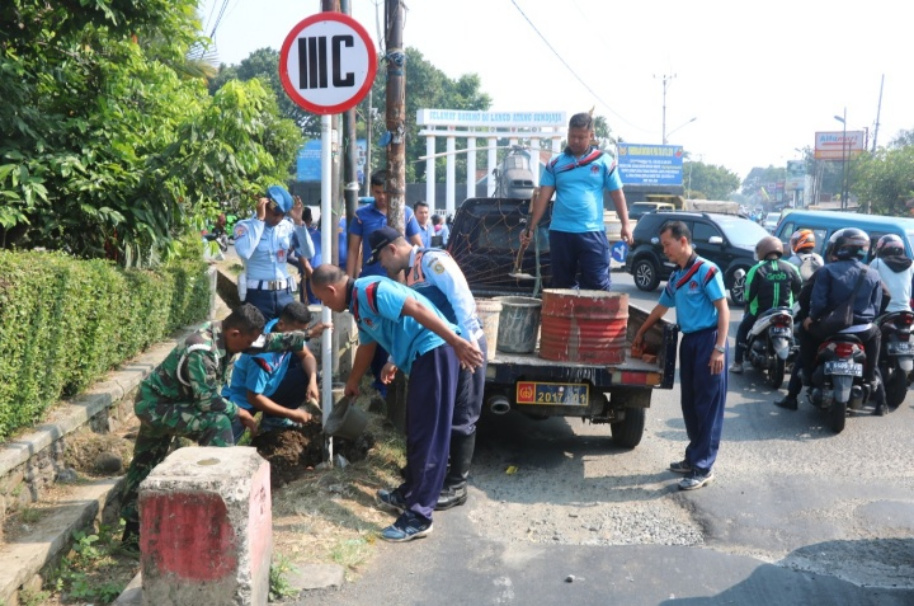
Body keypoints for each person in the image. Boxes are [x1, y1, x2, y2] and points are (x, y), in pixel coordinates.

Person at [120, 304, 328, 547]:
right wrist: (239, 411)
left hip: (172, 403)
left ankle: (137, 533)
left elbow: (266, 342)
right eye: (248, 340)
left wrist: (306, 334)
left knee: (147, 460)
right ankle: (222, 501)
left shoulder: (231, 335)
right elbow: (208, 402)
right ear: (236, 334)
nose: (251, 346)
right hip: (156, 407)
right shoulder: (202, 351)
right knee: (216, 423)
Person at [310, 264, 483, 542]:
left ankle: (419, 516)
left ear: (331, 289)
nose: (326, 305)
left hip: (436, 350)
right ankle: (410, 493)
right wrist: (354, 381)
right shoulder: (359, 305)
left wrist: (455, 341)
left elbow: (417, 308)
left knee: (429, 437)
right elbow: (367, 345)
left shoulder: (373, 290)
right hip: (421, 357)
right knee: (415, 430)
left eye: (324, 299)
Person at [371, 226, 487, 510]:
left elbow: (461, 297)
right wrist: (394, 360)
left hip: (464, 347)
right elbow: (416, 324)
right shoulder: (410, 276)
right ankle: (428, 481)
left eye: (381, 259)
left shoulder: (432, 261)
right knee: (436, 418)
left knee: (462, 416)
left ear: (393, 249)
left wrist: (467, 344)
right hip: (446, 350)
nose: (383, 266)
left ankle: (457, 485)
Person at [632, 221, 729, 491]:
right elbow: (661, 307)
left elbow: (723, 311)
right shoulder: (677, 276)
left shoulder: (707, 271)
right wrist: (641, 331)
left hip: (710, 341)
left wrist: (719, 348)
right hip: (690, 343)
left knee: (708, 407)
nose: (665, 250)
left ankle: (703, 467)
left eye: (667, 244)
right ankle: (693, 457)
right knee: (691, 404)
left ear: (683, 241)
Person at [521, 111, 631, 291]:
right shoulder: (555, 164)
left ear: (591, 136)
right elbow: (544, 197)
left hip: (592, 232)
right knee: (562, 287)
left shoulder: (604, 162)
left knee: (597, 285)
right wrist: (530, 227)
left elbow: (617, 194)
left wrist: (625, 224)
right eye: (572, 136)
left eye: (581, 137)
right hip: (560, 233)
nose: (575, 141)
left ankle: (594, 319)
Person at [346, 172, 423, 396]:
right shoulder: (361, 216)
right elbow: (353, 250)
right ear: (371, 190)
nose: (381, 197)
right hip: (370, 283)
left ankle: (395, 377)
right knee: (373, 332)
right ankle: (379, 383)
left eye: (385, 193)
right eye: (377, 192)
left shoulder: (406, 214)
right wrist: (351, 280)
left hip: (398, 284)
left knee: (396, 328)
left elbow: (418, 245)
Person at [805, 228, 886, 414]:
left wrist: (811, 319)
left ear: (840, 248)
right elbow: (876, 307)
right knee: (876, 335)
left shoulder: (826, 270)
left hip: (830, 328)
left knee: (805, 333)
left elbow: (818, 303)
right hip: (863, 330)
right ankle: (871, 375)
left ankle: (806, 375)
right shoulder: (872, 274)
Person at [223, 302, 320, 442]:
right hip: (244, 399)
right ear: (281, 324)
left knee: (307, 375)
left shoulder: (282, 329)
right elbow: (253, 397)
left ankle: (273, 419)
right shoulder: (262, 359)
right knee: (225, 443)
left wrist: (312, 381)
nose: (300, 336)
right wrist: (291, 413)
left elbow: (307, 356)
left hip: (269, 387)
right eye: (298, 332)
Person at [234, 185, 314, 322]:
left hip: (285, 294)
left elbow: (308, 252)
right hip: (257, 295)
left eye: (282, 215)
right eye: (275, 214)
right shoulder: (245, 226)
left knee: (291, 338)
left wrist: (298, 222)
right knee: (257, 340)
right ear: (265, 206)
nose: (278, 219)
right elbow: (244, 252)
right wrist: (259, 221)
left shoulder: (288, 227)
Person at [730, 236, 801, 373]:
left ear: (763, 250)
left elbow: (748, 295)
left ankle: (738, 363)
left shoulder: (756, 269)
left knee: (742, 329)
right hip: (786, 311)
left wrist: (747, 303)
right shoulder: (791, 267)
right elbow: (798, 289)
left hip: (760, 312)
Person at [869, 234, 914, 313]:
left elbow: (868, 283)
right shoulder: (911, 264)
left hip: (884, 309)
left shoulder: (877, 263)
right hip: (906, 309)